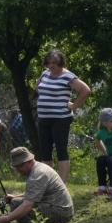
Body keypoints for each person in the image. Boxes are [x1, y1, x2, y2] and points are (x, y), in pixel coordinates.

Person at [35, 49, 91, 183]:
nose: (51, 65)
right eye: (48, 62)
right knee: (45, 151)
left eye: (54, 62)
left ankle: (62, 183)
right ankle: (48, 182)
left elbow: (86, 90)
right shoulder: (45, 74)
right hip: (43, 118)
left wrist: (73, 105)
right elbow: (38, 87)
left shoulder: (68, 76)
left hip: (60, 119)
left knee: (61, 149)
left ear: (61, 62)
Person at [0, 147, 74, 223]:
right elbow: (33, 193)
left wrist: (7, 218)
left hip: (61, 213)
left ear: (28, 161)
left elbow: (27, 206)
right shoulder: (38, 167)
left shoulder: (37, 175)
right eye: (15, 167)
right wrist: (15, 196)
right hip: (60, 208)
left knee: (16, 204)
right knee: (16, 200)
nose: (17, 170)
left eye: (19, 166)